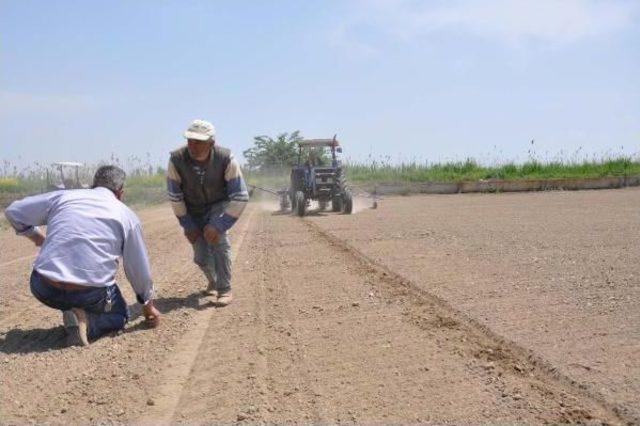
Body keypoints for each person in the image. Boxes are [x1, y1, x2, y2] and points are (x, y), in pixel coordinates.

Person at [4, 165, 161, 347]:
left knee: (65, 292)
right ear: (120, 193)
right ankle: (88, 322)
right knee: (119, 315)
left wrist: (37, 238)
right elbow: (138, 269)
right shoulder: (126, 215)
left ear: (93, 185)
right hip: (90, 293)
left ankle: (72, 311)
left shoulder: (64, 197)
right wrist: (148, 306)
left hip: (43, 286)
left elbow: (13, 212)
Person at [166, 119, 249, 306]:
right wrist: (187, 225)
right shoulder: (176, 160)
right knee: (201, 257)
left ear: (212, 143)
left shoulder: (226, 158)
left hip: (218, 205)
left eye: (198, 142)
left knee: (218, 242)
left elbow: (240, 196)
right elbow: (175, 196)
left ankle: (224, 289)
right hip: (192, 209)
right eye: (190, 141)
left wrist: (219, 225)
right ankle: (213, 279)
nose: (192, 146)